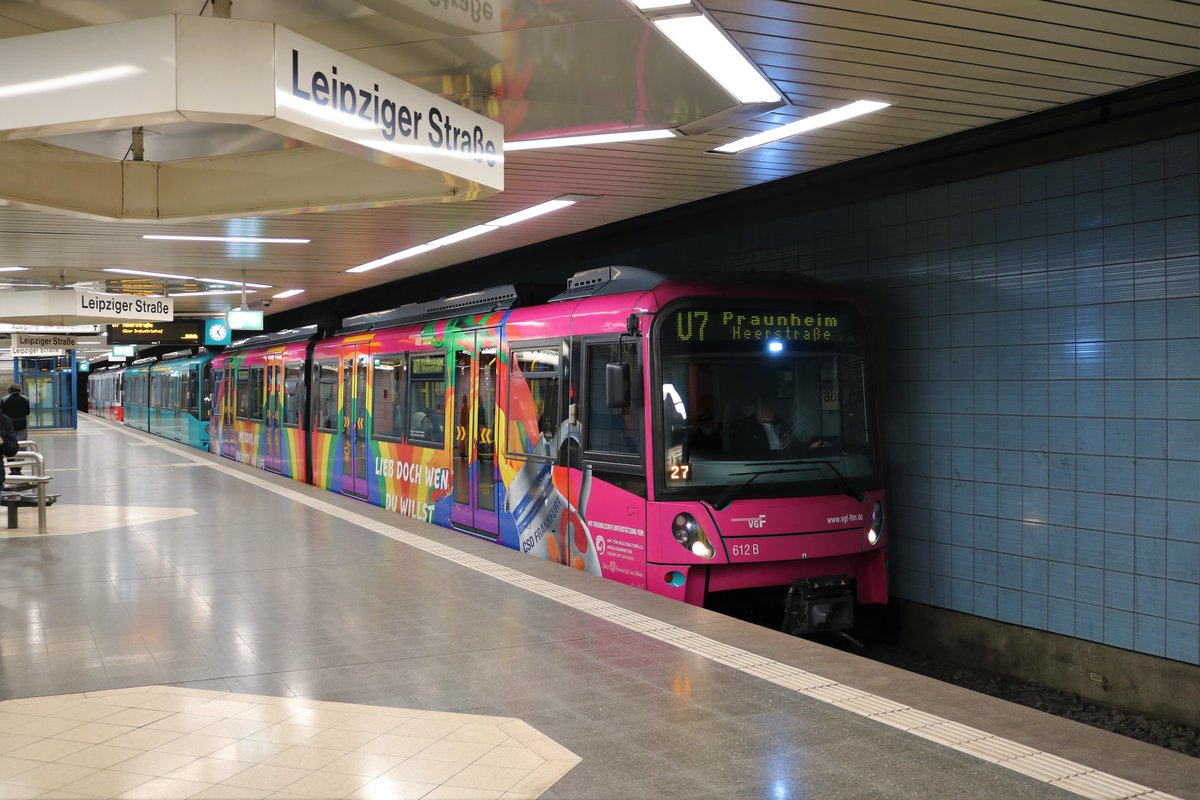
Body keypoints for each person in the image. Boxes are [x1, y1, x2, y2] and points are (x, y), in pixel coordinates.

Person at [1, 384, 29, 475]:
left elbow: (2, 412)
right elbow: (27, 412)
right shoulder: (25, 399)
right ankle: (18, 468)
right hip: (22, 425)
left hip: (8, 426)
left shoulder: (4, 399)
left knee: (10, 445)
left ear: (9, 390)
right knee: (21, 447)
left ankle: (12, 468)